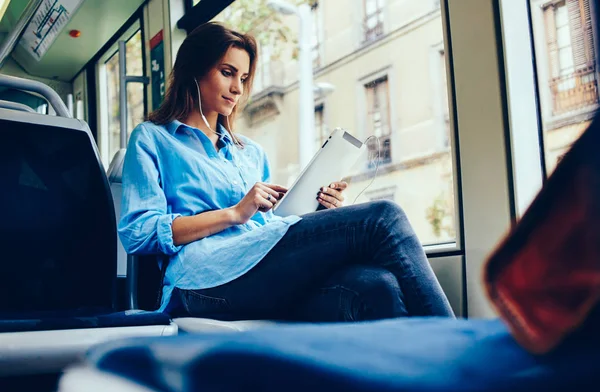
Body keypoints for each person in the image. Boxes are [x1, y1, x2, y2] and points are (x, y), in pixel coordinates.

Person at [118, 22, 454, 322]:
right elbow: (138, 232)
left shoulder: (250, 153)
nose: (238, 88)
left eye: (244, 78)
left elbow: (271, 227)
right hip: (201, 281)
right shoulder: (153, 138)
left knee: (377, 287)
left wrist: (319, 212)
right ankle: (463, 362)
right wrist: (234, 214)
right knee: (382, 217)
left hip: (261, 266)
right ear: (195, 69)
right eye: (227, 72)